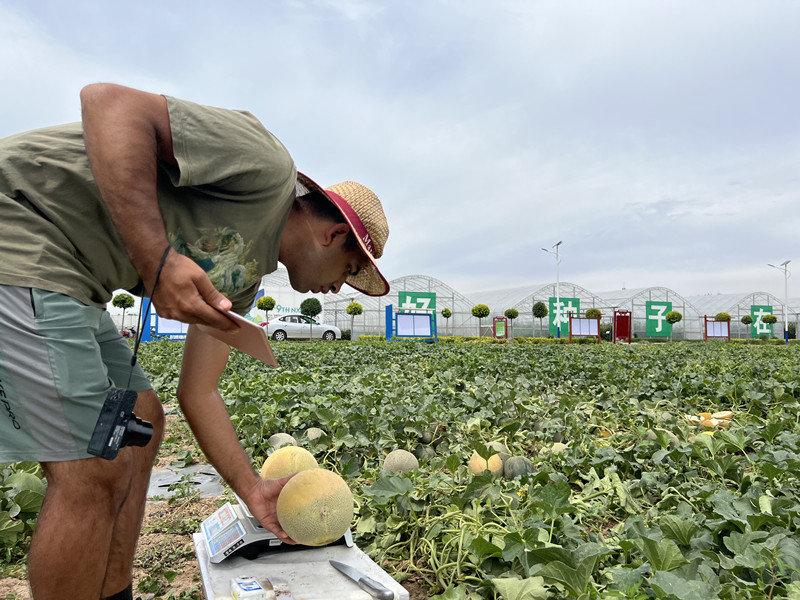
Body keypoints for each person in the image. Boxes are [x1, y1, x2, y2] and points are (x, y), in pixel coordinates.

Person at [0, 83, 390, 600]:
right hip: (23, 232)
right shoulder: (266, 167)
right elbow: (108, 103)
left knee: (142, 419)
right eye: (349, 270)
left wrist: (253, 491)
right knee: (92, 464)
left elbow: (199, 391)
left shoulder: (243, 282)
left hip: (74, 278)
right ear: (333, 234)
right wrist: (156, 258)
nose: (340, 286)